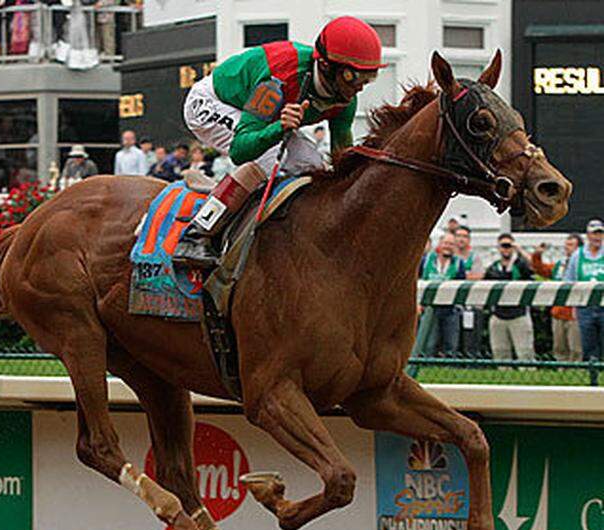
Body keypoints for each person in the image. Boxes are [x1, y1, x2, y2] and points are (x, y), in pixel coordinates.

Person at [174, 16, 383, 268]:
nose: (359, 88)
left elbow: (342, 162)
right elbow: (241, 150)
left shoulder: (345, 99)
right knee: (269, 154)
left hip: (264, 116)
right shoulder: (278, 79)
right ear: (327, 66)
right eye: (352, 77)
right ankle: (198, 232)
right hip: (213, 103)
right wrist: (279, 127)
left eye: (368, 79)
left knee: (313, 163)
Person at [483, 233, 535, 362]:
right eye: (503, 246)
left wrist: (520, 251)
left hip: (519, 316)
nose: (506, 249)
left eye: (509, 246)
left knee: (525, 354)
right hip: (498, 316)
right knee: (500, 355)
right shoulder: (493, 268)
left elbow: (533, 269)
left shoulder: (520, 265)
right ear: (498, 248)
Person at [414, 232, 467, 357]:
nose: (448, 246)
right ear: (440, 244)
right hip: (429, 308)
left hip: (451, 308)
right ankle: (427, 367)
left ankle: (450, 371)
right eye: (446, 243)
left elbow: (462, 286)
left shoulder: (459, 264)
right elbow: (416, 281)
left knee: (451, 344)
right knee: (429, 343)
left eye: (451, 244)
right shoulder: (426, 261)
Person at [532, 234, 583, 362]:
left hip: (575, 313)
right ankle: (562, 374)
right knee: (559, 348)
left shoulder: (583, 265)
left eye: (571, 245)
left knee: (576, 349)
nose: (567, 248)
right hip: (558, 312)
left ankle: (576, 374)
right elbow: (542, 270)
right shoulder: (560, 265)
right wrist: (537, 255)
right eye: (566, 245)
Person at [564, 219, 604, 362]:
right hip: (585, 307)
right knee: (588, 346)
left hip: (603, 306)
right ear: (588, 235)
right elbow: (569, 281)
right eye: (594, 234)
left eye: (600, 234)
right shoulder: (577, 255)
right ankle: (593, 377)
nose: (597, 237)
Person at [454, 225, 485, 356]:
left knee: (471, 336)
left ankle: (471, 359)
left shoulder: (475, 257)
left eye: (464, 236)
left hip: (471, 303)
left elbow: (478, 276)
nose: (461, 239)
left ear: (469, 240)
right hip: (453, 302)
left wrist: (459, 276)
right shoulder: (451, 257)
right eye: (459, 236)